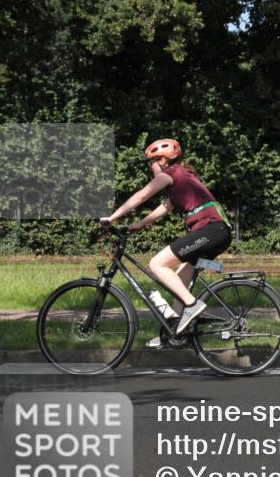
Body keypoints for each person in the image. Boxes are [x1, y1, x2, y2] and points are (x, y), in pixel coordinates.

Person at [99, 138, 232, 342]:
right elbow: (165, 207)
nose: (150, 168)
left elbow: (140, 196)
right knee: (180, 276)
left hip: (211, 230)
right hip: (217, 232)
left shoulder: (170, 174)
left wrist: (112, 217)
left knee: (157, 263)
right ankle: (177, 330)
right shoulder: (181, 178)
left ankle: (193, 305)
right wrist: (141, 224)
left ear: (162, 160)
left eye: (151, 163)